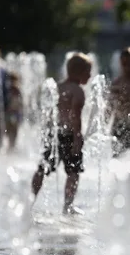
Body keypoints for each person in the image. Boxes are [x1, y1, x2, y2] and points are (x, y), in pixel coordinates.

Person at [31, 53, 92, 215]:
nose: (90, 75)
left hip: (55, 133)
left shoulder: (57, 87)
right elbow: (75, 117)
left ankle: (30, 199)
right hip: (70, 135)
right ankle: (68, 205)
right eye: (88, 72)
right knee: (73, 172)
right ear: (80, 72)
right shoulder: (78, 91)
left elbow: (50, 114)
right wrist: (78, 139)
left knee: (42, 168)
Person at [6, 72, 23, 150]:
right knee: (10, 132)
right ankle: (11, 147)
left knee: (13, 132)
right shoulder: (9, 90)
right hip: (11, 114)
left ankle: (11, 147)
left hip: (14, 114)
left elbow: (20, 103)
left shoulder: (15, 90)